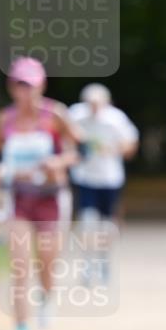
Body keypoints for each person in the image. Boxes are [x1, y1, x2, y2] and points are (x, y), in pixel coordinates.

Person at [0, 56, 79, 330]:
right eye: (18, 84)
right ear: (11, 87)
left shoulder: (55, 115)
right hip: (18, 201)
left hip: (51, 200)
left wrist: (59, 163)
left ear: (41, 85)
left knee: (46, 261)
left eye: (29, 85)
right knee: (19, 270)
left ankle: (48, 294)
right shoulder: (4, 120)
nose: (24, 91)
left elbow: (77, 150)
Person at [68, 84, 139, 282]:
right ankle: (88, 265)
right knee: (87, 222)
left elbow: (130, 143)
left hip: (110, 178)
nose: (94, 108)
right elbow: (64, 137)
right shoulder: (76, 115)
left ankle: (104, 260)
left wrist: (115, 149)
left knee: (107, 225)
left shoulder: (115, 118)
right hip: (85, 177)